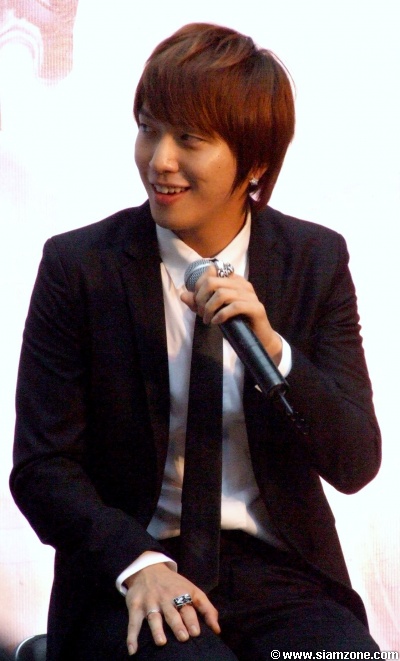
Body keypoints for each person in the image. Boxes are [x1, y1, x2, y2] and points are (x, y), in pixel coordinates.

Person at [10, 22, 381, 661]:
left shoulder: (313, 260)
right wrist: (137, 562)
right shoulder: (80, 267)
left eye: (189, 139)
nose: (160, 160)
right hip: (132, 573)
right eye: (148, 129)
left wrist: (275, 350)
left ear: (255, 163)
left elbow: (355, 462)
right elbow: (43, 468)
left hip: (281, 579)